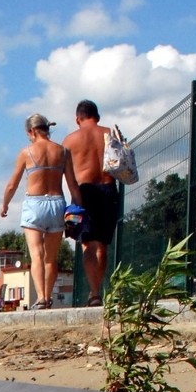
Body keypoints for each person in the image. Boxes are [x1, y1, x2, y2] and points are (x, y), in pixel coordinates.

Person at [0, 113, 82, 309]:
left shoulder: (26, 152)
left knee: (36, 254)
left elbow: (12, 184)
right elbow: (72, 184)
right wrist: (77, 212)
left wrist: (5, 204)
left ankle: (41, 299)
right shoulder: (62, 152)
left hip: (34, 203)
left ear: (32, 131)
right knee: (50, 258)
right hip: (57, 203)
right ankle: (48, 295)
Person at [62, 99, 120, 306]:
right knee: (101, 244)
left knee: (87, 244)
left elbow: (64, 174)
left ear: (78, 119)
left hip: (83, 192)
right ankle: (98, 290)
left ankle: (93, 293)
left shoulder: (69, 140)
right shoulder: (110, 135)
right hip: (108, 188)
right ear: (98, 117)